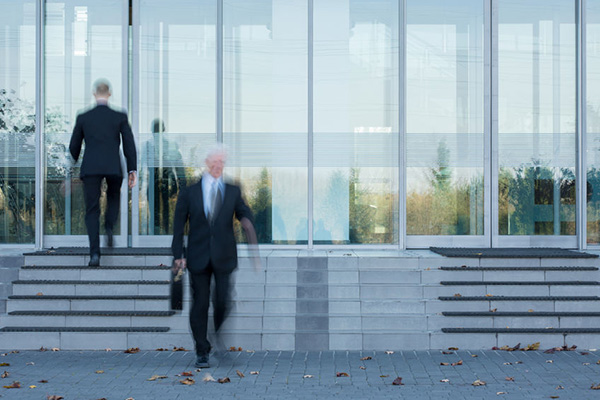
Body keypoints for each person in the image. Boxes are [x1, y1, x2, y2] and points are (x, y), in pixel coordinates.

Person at [171, 145, 256, 368]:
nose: (218, 165)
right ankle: (202, 350)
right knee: (199, 304)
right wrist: (178, 254)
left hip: (224, 255)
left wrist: (246, 220)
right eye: (215, 161)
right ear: (207, 163)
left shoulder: (232, 190)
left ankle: (214, 335)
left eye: (222, 162)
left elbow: (243, 210)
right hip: (197, 256)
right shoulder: (190, 192)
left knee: (222, 302)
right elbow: (179, 225)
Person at [69, 79, 137, 266]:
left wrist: (73, 162)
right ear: (109, 94)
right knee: (113, 197)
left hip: (91, 167)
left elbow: (74, 145)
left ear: (94, 93)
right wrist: (132, 169)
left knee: (92, 210)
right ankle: (108, 227)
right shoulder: (119, 116)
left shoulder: (84, 116)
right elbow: (129, 144)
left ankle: (94, 254)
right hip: (113, 166)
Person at [142, 118, 187, 234]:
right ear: (164, 129)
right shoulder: (167, 145)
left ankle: (157, 234)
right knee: (164, 211)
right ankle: (164, 233)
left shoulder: (148, 145)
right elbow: (179, 167)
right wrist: (182, 185)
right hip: (162, 183)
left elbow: (142, 168)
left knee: (156, 213)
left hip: (157, 183)